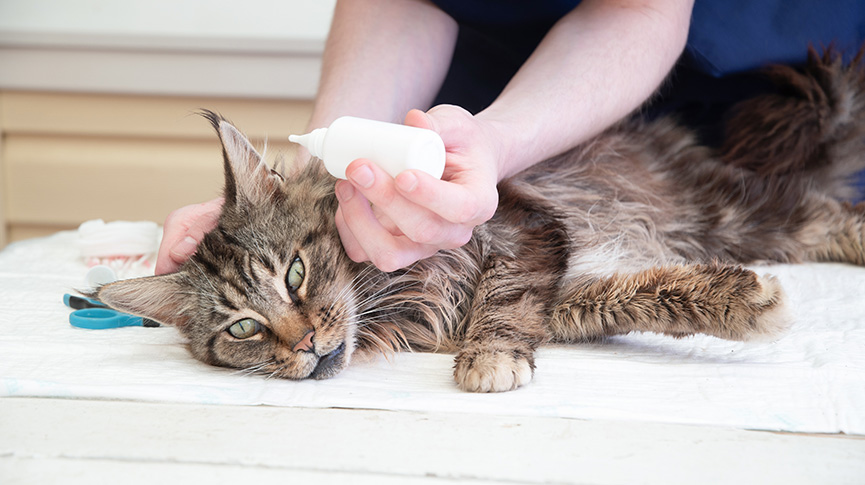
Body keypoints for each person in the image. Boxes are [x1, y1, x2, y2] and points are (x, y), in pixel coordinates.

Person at [155, 0, 865, 275]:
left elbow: (639, 8)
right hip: (487, 91)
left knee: (785, 232)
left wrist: (496, 139)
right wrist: (313, 186)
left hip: (757, 98)